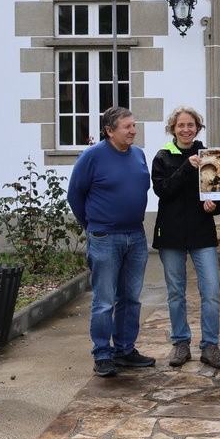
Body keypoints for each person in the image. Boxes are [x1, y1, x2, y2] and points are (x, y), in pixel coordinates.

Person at [67, 106, 155, 378]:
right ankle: (103, 353)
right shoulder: (92, 156)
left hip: (136, 236)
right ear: (109, 131)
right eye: (127, 126)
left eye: (134, 125)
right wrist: (94, 226)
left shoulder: (138, 154)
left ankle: (125, 349)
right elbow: (75, 196)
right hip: (104, 237)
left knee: (130, 298)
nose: (133, 130)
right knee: (104, 301)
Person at [151, 106, 220, 370]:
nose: (186, 130)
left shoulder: (210, 156)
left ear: (198, 128)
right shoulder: (162, 156)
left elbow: (216, 193)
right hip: (170, 235)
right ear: (172, 128)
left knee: (212, 290)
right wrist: (186, 167)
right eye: (180, 125)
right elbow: (164, 190)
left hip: (201, 233)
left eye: (191, 125)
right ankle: (180, 343)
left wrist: (213, 207)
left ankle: (210, 346)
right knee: (175, 293)